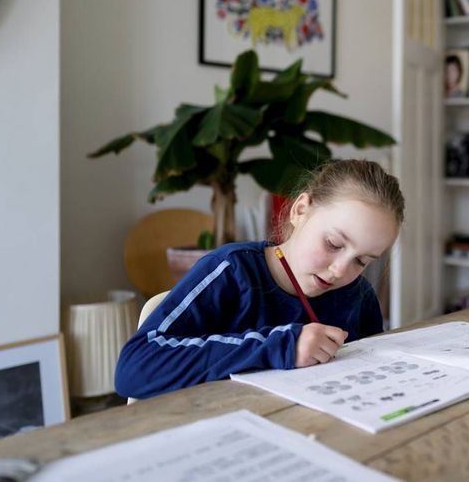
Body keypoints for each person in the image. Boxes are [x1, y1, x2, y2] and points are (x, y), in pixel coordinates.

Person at [114, 159, 405, 400]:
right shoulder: (230, 271)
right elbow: (133, 368)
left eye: (361, 261)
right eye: (333, 243)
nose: (341, 271)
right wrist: (281, 347)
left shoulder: (359, 295)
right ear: (300, 210)